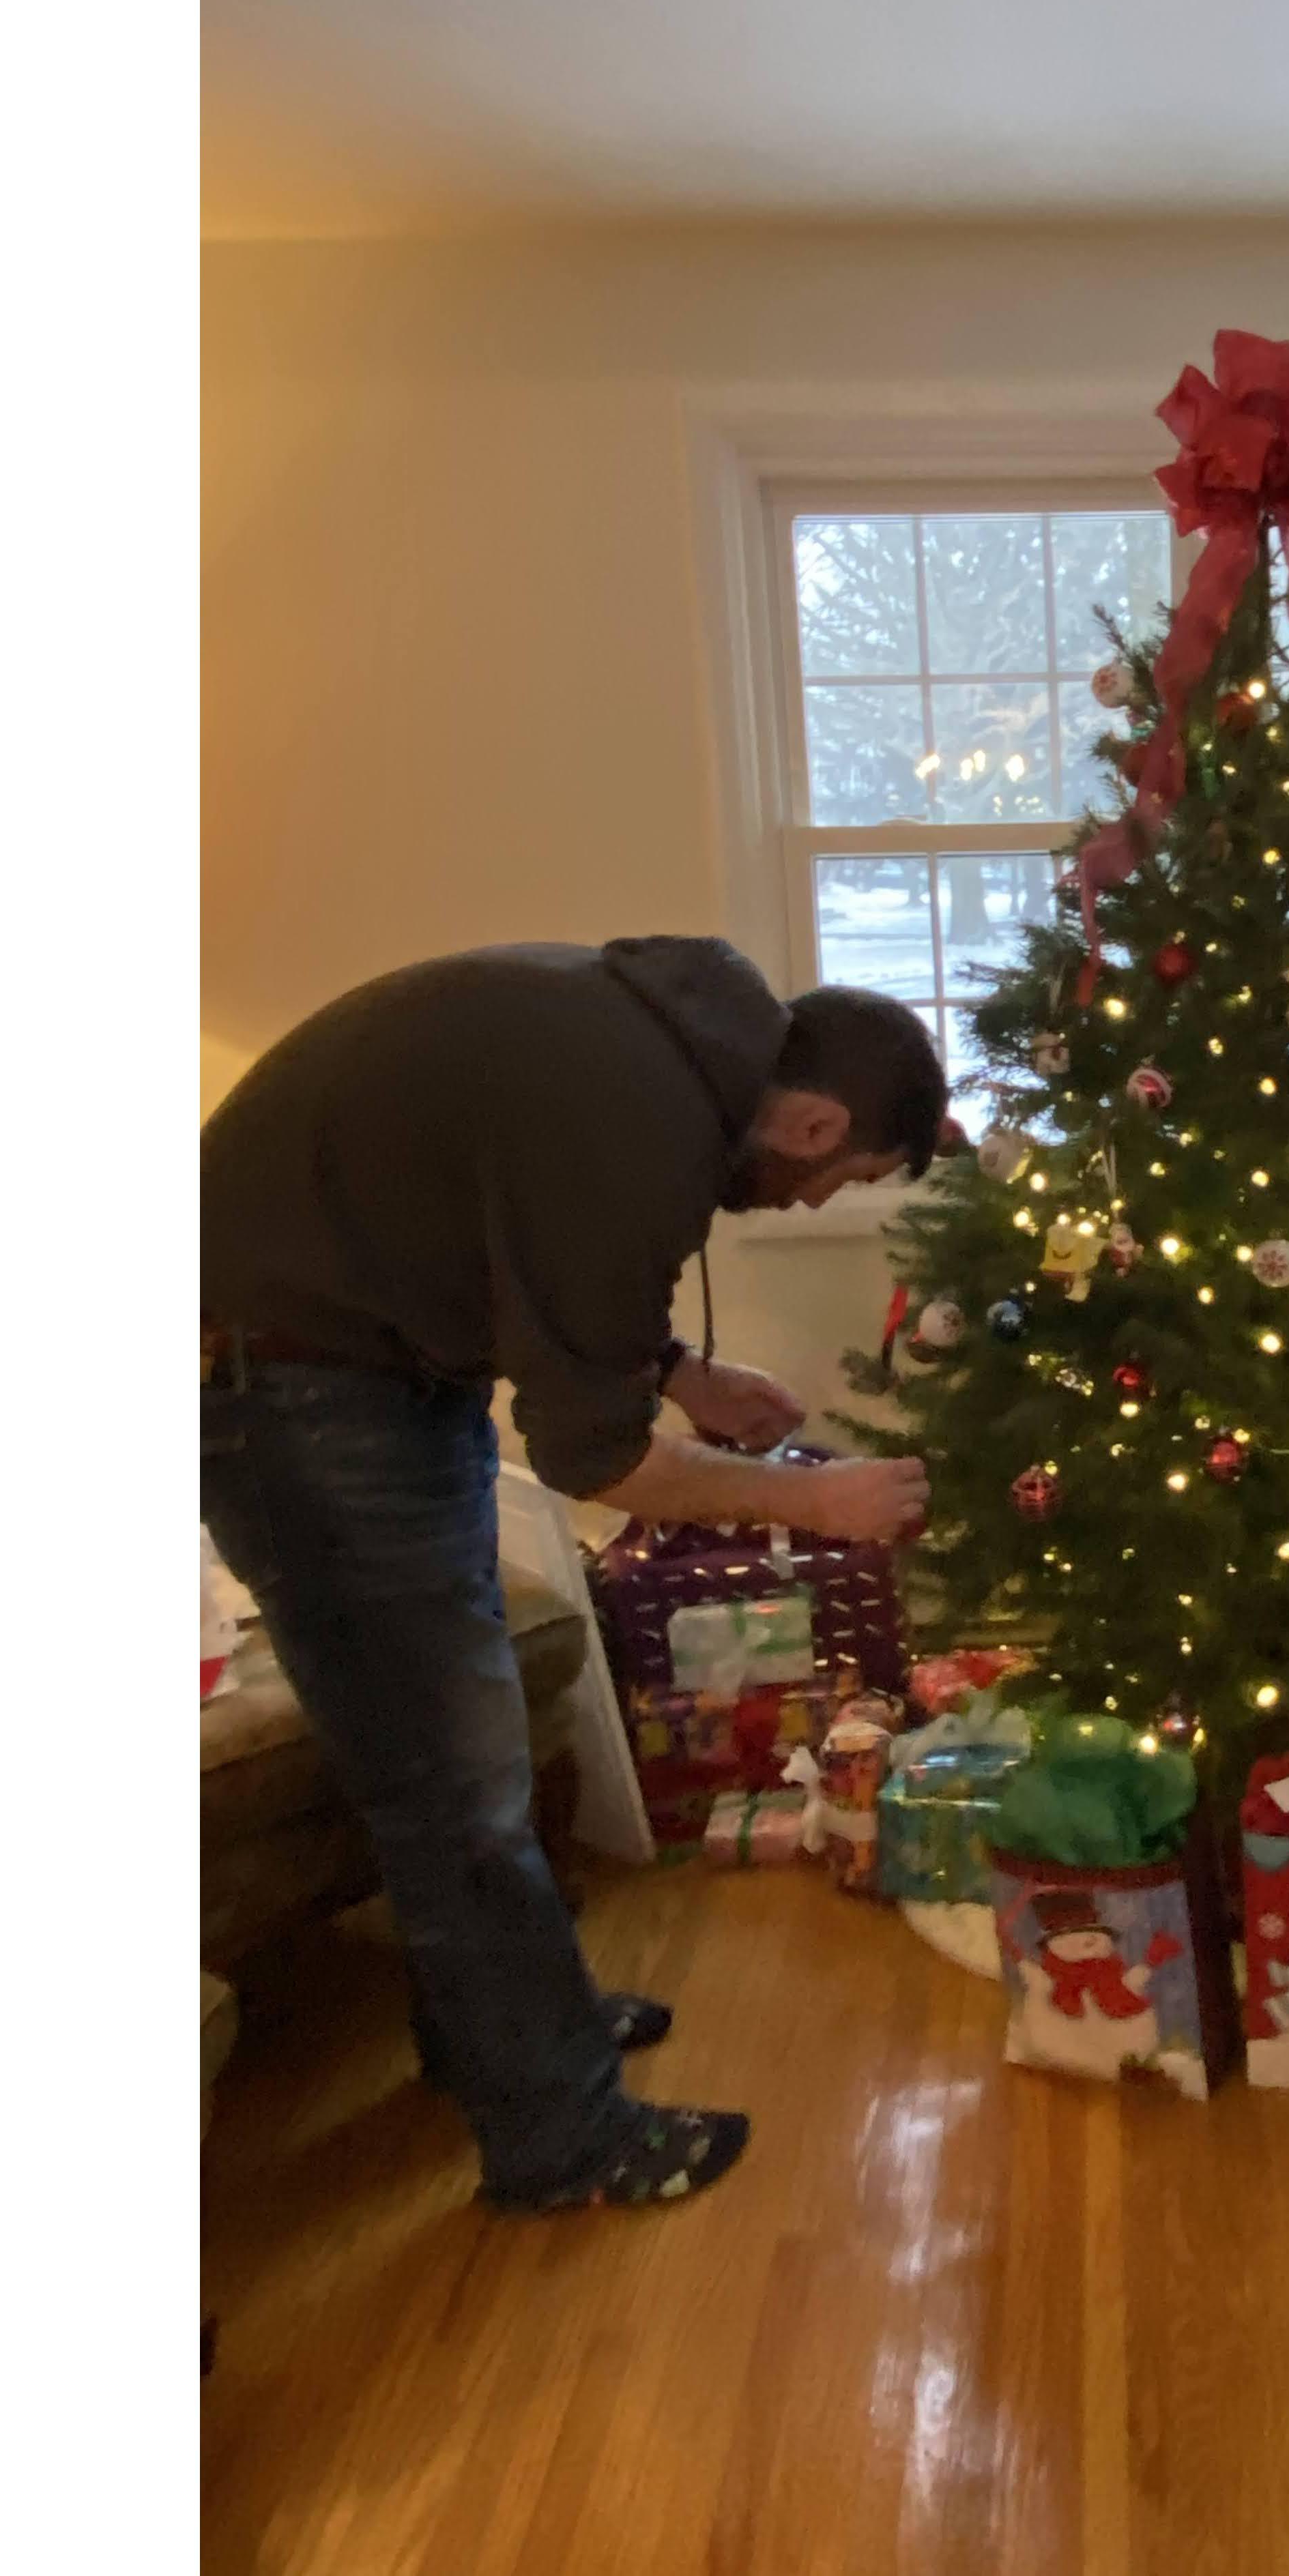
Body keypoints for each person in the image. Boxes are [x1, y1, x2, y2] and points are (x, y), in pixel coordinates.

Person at [201, 938, 945, 2210]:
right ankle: (562, 2140)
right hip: (295, 1395)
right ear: (814, 1119)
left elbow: (529, 1252)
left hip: (354, 1373)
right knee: (455, 1783)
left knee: (458, 1750)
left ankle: (496, 2035)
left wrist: (686, 1376)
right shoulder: (639, 1121)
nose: (817, 1202)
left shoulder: (653, 1055)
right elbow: (595, 1458)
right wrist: (816, 1503)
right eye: (847, 1179)